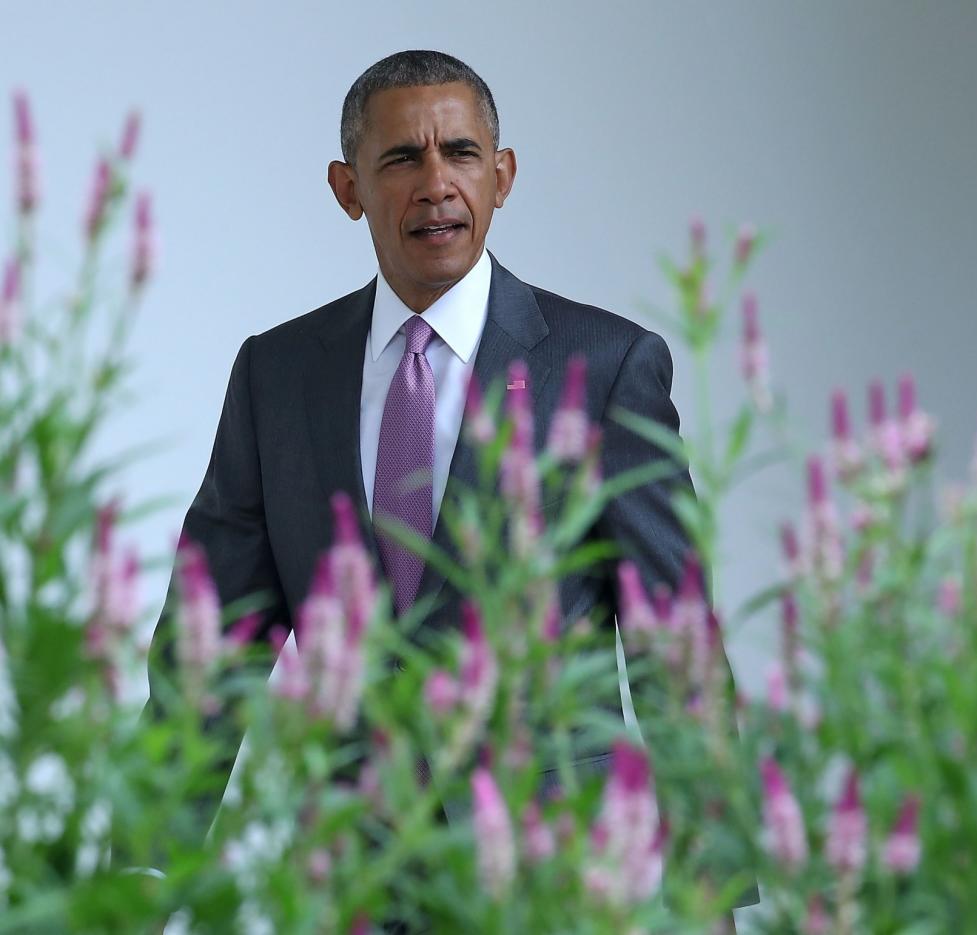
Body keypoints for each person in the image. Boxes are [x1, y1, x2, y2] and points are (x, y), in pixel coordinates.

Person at [146, 50, 752, 928]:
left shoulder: (608, 367)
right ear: (347, 187)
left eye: (460, 154)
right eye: (401, 160)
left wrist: (714, 895)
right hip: (345, 879)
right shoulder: (276, 375)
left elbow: (679, 653)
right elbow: (210, 649)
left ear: (501, 177)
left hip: (547, 884)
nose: (436, 183)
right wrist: (147, 866)